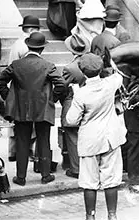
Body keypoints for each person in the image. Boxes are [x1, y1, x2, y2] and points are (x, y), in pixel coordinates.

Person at [0, 32, 66, 186]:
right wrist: (52, 99)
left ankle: (21, 178)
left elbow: (0, 81)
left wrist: (9, 97)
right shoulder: (48, 66)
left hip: (21, 109)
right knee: (44, 141)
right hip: (43, 108)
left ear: (28, 46)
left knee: (22, 142)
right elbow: (61, 84)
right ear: (42, 49)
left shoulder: (16, 64)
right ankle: (45, 175)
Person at [66, 53, 126, 220]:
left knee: (89, 181)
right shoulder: (110, 84)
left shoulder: (80, 94)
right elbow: (118, 74)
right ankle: (112, 215)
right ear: (100, 69)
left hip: (90, 141)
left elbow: (71, 120)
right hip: (111, 138)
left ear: (82, 71)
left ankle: (90, 216)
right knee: (111, 179)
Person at [6, 15, 41, 162]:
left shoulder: (17, 44)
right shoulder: (27, 45)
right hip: (25, 87)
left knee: (17, 122)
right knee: (28, 122)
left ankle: (13, 152)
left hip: (16, 86)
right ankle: (25, 151)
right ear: (32, 29)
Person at [60, 33, 91, 179]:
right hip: (90, 103)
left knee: (72, 138)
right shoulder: (92, 64)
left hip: (73, 103)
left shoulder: (70, 68)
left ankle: (76, 168)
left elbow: (62, 87)